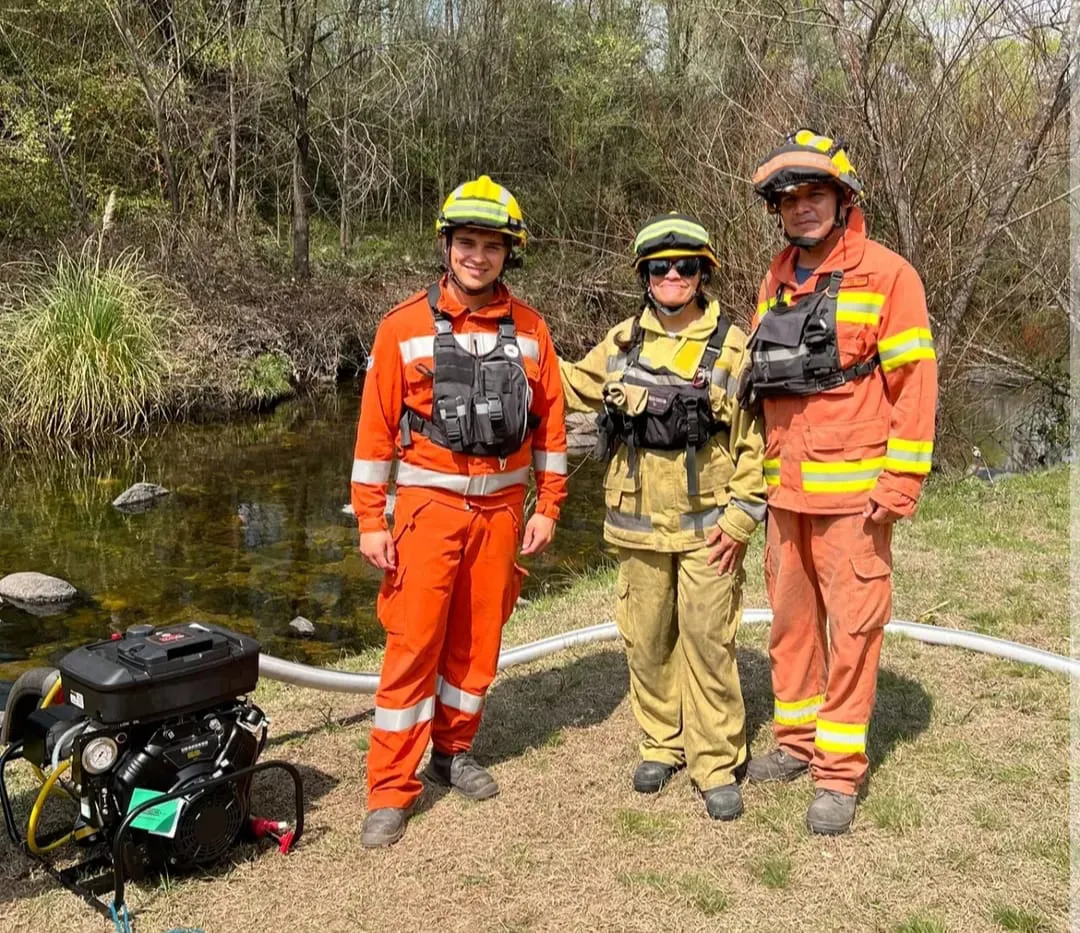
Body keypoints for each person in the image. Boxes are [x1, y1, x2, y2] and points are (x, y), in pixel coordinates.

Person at [351, 175, 568, 847]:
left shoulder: (532, 331)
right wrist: (368, 520)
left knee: (478, 642)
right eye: (467, 243)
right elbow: (375, 433)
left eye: (492, 245)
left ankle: (453, 750)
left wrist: (549, 506)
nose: (478, 256)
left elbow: (552, 428)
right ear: (447, 246)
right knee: (414, 644)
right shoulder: (402, 327)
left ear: (511, 253)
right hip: (427, 511)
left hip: (502, 513)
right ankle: (391, 787)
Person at [740, 129, 938, 834]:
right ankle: (795, 742)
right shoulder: (776, 275)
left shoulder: (889, 275)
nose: (801, 209)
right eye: (790, 200)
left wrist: (899, 483)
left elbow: (914, 384)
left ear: (842, 199)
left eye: (814, 195)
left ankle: (839, 771)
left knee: (853, 631)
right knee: (791, 628)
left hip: (856, 499)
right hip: (785, 496)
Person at [560, 213, 767, 821]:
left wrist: (741, 519)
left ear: (704, 272)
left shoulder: (733, 345)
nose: (672, 275)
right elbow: (568, 385)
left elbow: (756, 441)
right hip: (636, 525)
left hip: (711, 529)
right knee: (646, 639)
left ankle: (717, 761)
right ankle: (661, 742)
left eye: (684, 265)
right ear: (645, 276)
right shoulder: (621, 342)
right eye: (659, 267)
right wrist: (512, 350)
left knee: (708, 641)